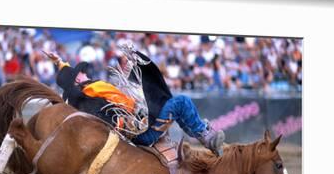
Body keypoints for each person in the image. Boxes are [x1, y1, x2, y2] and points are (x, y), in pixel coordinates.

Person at [44, 47, 225, 156]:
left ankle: (199, 131)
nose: (83, 72)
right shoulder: (89, 93)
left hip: (139, 124)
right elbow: (107, 117)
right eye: (79, 73)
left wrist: (60, 62)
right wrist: (129, 120)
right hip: (140, 133)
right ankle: (205, 136)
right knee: (180, 102)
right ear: (78, 80)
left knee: (167, 100)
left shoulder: (87, 91)